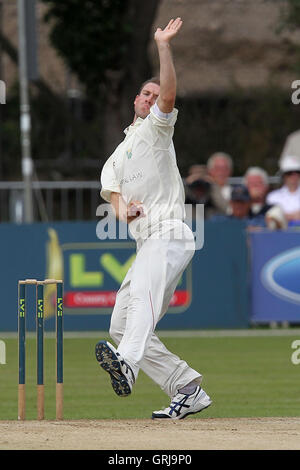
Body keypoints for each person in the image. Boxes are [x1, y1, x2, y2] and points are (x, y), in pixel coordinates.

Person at [95, 18, 212, 420]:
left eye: (155, 94)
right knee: (120, 324)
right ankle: (186, 387)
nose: (151, 99)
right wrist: (123, 209)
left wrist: (163, 46)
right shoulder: (118, 154)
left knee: (139, 300)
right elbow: (112, 193)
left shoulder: (157, 132)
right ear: (134, 99)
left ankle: (126, 363)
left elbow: (169, 95)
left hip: (171, 233)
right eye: (145, 93)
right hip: (148, 241)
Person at [266, 156, 300, 224]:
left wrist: (283, 216)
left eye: (297, 172)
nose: (294, 175)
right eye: (289, 173)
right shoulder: (273, 196)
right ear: (283, 175)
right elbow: (271, 218)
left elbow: (278, 217)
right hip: (281, 233)